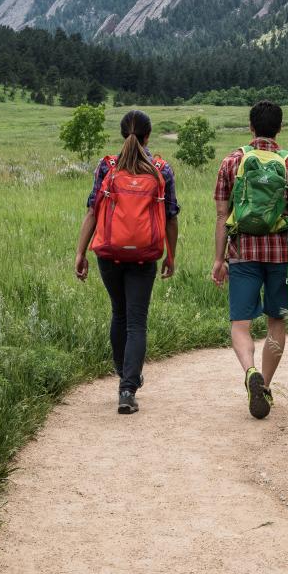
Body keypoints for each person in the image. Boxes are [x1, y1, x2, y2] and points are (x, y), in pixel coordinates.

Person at [212, 100, 288, 419]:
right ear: (280, 128)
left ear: (251, 127)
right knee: (276, 322)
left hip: (242, 252)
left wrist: (218, 258)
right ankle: (265, 385)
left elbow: (221, 215)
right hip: (280, 256)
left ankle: (250, 372)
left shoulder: (232, 161)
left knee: (240, 324)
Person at [74, 110, 178, 414]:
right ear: (148, 136)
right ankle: (127, 389)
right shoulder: (162, 169)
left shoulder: (107, 166)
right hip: (144, 255)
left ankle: (124, 373)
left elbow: (93, 212)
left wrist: (80, 253)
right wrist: (171, 255)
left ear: (123, 135)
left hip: (108, 252)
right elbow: (170, 218)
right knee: (136, 321)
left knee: (119, 314)